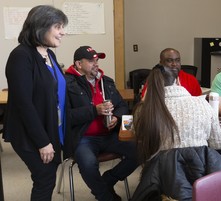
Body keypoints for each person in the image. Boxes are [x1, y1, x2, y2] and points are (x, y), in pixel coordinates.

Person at [131, 65, 221, 200]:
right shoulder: (203, 104)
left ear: (151, 86)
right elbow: (219, 144)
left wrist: (145, 99)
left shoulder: (145, 109)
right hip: (201, 176)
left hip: (165, 182)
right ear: (178, 82)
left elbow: (138, 135)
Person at [3, 5, 68, 201]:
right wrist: (42, 142)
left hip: (49, 127)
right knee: (44, 178)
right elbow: (24, 104)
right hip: (30, 133)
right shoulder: (21, 56)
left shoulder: (49, 54)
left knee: (47, 176)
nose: (62, 32)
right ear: (42, 26)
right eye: (58, 27)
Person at [64, 46, 138, 201]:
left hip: (109, 135)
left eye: (97, 60)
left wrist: (117, 118)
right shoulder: (66, 84)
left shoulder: (107, 81)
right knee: (89, 163)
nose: (96, 63)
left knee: (141, 150)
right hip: (83, 138)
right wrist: (94, 111)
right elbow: (64, 117)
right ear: (78, 64)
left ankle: (107, 180)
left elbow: (123, 106)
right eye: (91, 61)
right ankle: (106, 197)